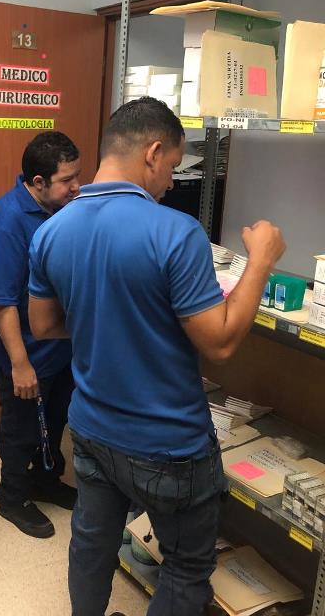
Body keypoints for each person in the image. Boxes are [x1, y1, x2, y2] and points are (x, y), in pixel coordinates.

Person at [28, 98, 286, 616]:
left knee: (92, 545)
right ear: (152, 152)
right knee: (186, 567)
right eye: (171, 166)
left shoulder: (50, 231)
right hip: (169, 444)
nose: (170, 182)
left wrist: (111, 318)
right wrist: (260, 260)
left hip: (93, 428)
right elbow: (220, 343)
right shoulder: (175, 231)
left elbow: (45, 325)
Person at [0, 131, 81, 539]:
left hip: (58, 347)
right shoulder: (7, 221)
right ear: (38, 182)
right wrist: (20, 365)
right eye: (67, 180)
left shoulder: (61, 209)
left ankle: (45, 480)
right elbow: (1, 302)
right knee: (20, 430)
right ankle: (12, 497)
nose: (77, 186)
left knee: (54, 422)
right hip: (23, 354)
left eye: (77, 176)